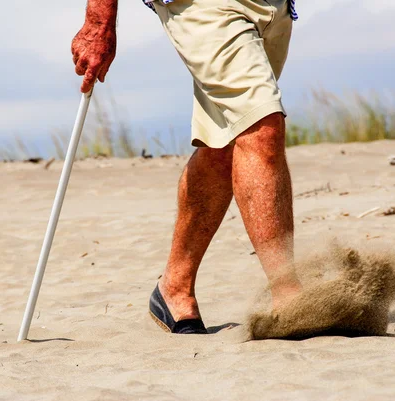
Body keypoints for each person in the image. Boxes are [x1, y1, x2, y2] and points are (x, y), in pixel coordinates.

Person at [72, 0, 301, 334]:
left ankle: (173, 288)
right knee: (260, 125)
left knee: (224, 143)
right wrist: (99, 20)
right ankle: (289, 297)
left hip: (272, 6)